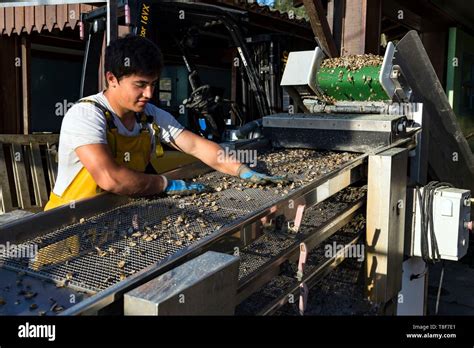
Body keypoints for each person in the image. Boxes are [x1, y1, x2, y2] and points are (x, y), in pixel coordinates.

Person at [44, 35, 285, 211]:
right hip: (67, 228)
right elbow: (110, 178)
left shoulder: (149, 115)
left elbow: (196, 147)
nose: (149, 93)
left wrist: (241, 170)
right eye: (140, 84)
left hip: (114, 219)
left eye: (153, 84)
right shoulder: (86, 115)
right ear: (112, 79)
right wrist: (164, 183)